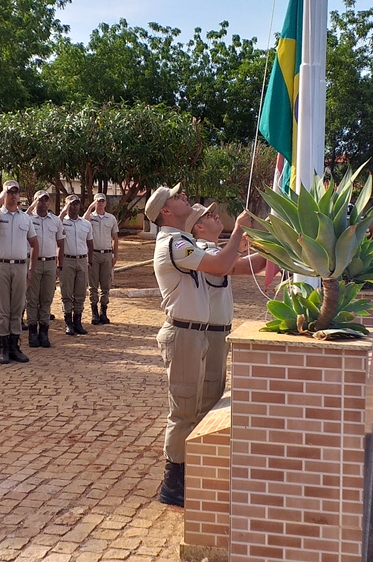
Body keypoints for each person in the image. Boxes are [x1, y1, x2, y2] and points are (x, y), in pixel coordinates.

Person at [146, 183, 250, 507]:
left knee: (197, 407)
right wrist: (238, 231)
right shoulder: (174, 244)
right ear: (165, 211)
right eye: (176, 197)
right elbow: (220, 266)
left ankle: (188, 474)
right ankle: (173, 483)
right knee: (184, 411)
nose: (184, 198)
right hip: (184, 334)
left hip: (197, 332)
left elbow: (225, 265)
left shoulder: (185, 241)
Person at [186, 202, 266, 416]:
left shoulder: (213, 251)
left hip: (216, 330)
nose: (216, 216)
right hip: (211, 332)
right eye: (209, 215)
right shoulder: (205, 251)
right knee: (209, 397)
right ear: (198, 227)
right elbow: (253, 266)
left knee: (212, 392)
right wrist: (272, 243)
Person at [0, 180, 39, 364]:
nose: (13, 195)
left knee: (17, 307)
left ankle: (15, 346)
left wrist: (31, 268)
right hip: (1, 265)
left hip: (20, 265)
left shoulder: (25, 218)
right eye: (10, 192)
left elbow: (34, 244)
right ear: (4, 194)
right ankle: (3, 348)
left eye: (16, 192)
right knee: (2, 308)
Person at [26, 190, 64, 348]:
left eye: (46, 200)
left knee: (46, 299)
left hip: (49, 263)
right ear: (35, 201)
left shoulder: (55, 221)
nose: (43, 203)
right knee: (32, 299)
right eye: (40, 200)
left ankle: (44, 332)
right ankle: (32, 333)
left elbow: (61, 244)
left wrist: (59, 266)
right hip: (32, 264)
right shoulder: (27, 219)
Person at [60, 195, 93, 336]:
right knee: (66, 292)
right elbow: (55, 224)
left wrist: (89, 261)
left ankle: (77, 321)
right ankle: (68, 322)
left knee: (80, 292)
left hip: (81, 260)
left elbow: (90, 243)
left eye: (76, 204)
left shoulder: (86, 224)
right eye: (71, 204)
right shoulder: (60, 222)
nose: (74, 207)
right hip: (67, 260)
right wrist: (63, 211)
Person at [84, 193, 119, 325]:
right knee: (93, 285)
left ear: (106, 203)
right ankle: (94, 313)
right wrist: (89, 208)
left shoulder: (111, 218)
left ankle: (103, 312)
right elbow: (83, 222)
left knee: (106, 285)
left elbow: (115, 238)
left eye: (102, 201)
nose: (100, 203)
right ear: (94, 202)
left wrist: (115, 255)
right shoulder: (90, 218)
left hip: (106, 254)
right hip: (93, 254)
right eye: (98, 201)